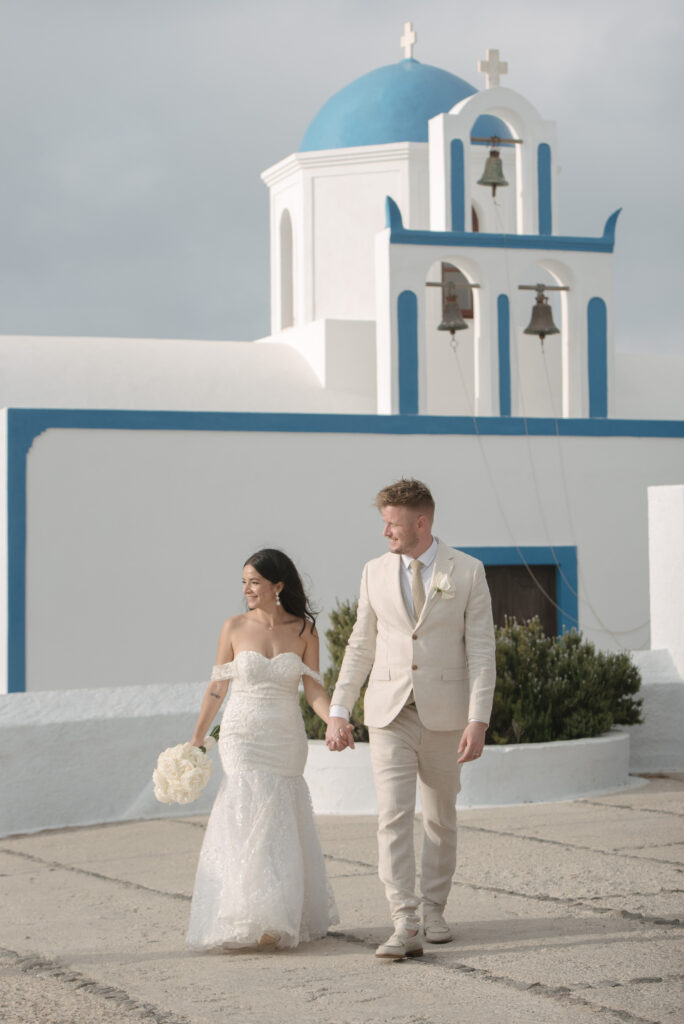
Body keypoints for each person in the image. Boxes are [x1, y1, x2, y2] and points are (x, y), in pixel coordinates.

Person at [325, 479, 495, 961]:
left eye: (393, 523)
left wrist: (478, 719)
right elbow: (361, 644)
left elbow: (482, 651)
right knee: (393, 816)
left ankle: (434, 908)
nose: (385, 532)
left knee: (440, 818)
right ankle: (405, 919)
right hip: (389, 712)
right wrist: (340, 709)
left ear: (421, 522)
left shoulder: (468, 571)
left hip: (446, 716)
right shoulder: (374, 572)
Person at [186, 548, 338, 950]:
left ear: (278, 586)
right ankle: (242, 914)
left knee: (278, 821)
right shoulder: (234, 626)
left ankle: (276, 917)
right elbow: (218, 687)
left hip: (285, 735)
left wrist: (335, 720)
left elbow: (314, 689)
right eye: (244, 582)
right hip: (242, 736)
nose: (247, 589)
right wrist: (198, 737)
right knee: (246, 814)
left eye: (254, 582)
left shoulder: (304, 631)